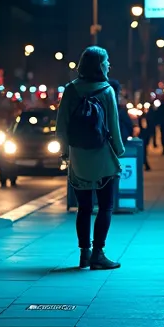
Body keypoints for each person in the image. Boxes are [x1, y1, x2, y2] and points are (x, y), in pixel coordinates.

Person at [57, 46, 126, 270]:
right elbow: (113, 126)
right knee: (105, 206)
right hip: (103, 156)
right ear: (99, 65)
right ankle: (99, 253)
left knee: (83, 207)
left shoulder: (70, 90)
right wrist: (119, 150)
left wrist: (66, 152)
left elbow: (62, 126)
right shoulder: (107, 91)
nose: (109, 65)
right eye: (106, 62)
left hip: (78, 157)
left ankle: (84, 253)